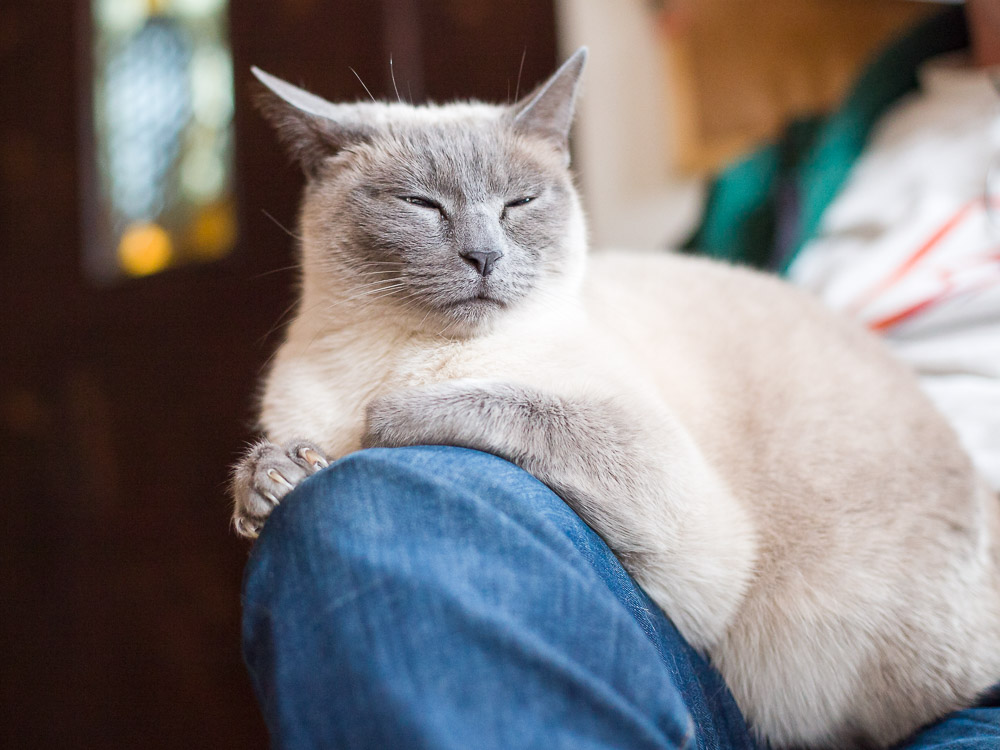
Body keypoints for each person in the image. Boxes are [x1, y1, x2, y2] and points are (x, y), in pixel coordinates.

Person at [242, 5, 1000, 748]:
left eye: (517, 208)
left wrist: (458, 415)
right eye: (419, 207)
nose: (483, 251)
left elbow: (705, 571)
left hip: (914, 667)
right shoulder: (812, 156)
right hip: (689, 666)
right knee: (354, 510)